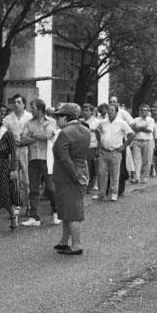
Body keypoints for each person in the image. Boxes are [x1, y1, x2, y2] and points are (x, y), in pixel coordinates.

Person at [51, 104, 89, 256]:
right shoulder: (85, 130)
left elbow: (64, 158)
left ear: (67, 117)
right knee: (69, 210)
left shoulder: (65, 133)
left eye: (59, 116)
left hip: (67, 176)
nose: (57, 119)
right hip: (81, 170)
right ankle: (64, 241)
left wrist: (74, 176)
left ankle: (76, 245)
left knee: (72, 212)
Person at [21, 99, 58, 226]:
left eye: (33, 108)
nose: (31, 110)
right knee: (33, 188)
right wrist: (38, 135)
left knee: (51, 187)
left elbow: (48, 136)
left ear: (40, 109)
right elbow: (22, 139)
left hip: (46, 157)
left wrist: (32, 135)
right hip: (33, 157)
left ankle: (56, 212)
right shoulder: (28, 122)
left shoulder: (51, 121)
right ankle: (34, 217)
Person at [94, 103, 133, 202]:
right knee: (101, 173)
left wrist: (123, 146)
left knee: (115, 173)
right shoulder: (103, 122)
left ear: (116, 112)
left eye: (112, 110)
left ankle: (114, 193)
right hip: (103, 151)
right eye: (109, 110)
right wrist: (99, 143)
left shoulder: (121, 123)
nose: (110, 112)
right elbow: (97, 131)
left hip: (115, 151)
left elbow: (131, 134)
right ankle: (101, 193)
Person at [3, 95, 31, 221]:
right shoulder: (8, 118)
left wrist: (25, 141)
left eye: (19, 102)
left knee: (27, 180)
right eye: (14, 102)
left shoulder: (29, 117)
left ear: (24, 104)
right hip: (13, 150)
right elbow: (4, 133)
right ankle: (17, 206)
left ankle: (29, 205)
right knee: (15, 179)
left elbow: (32, 134)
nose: (16, 104)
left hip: (26, 149)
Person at [131, 105, 155, 183]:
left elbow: (149, 130)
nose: (143, 112)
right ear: (140, 111)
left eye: (145, 110)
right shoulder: (136, 119)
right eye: (142, 110)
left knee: (147, 160)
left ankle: (144, 176)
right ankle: (137, 177)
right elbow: (132, 128)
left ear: (148, 112)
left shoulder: (151, 120)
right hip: (137, 141)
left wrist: (139, 128)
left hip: (147, 141)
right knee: (136, 159)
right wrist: (143, 127)